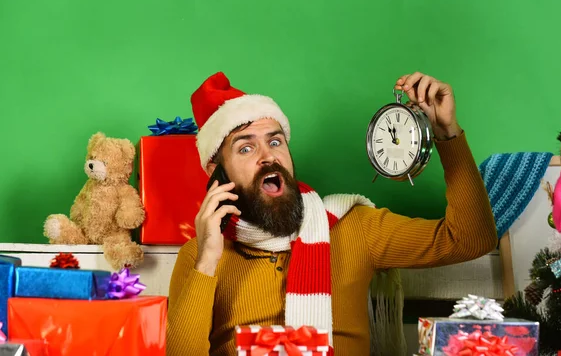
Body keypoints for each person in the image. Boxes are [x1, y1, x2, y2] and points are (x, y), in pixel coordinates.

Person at [166, 71, 497, 356]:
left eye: (276, 142)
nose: (268, 157)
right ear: (217, 171)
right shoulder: (200, 256)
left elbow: (470, 239)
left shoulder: (352, 225)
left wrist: (446, 133)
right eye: (246, 147)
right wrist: (207, 261)